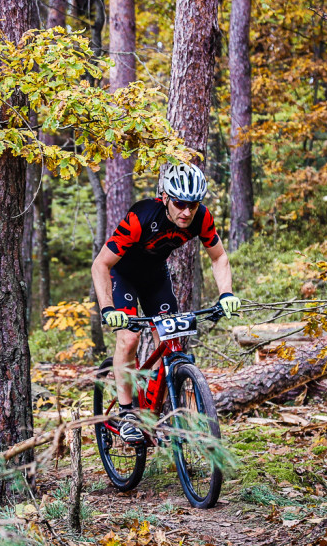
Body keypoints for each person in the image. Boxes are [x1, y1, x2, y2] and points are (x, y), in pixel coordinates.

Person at [91, 163, 241, 443]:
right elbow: (100, 264)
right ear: (165, 197)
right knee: (129, 339)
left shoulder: (201, 218)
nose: (186, 212)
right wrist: (108, 309)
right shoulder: (142, 216)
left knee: (172, 338)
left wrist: (226, 293)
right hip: (121, 275)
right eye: (180, 203)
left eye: (193, 205)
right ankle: (128, 414)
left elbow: (219, 257)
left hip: (155, 278)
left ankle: (164, 404)